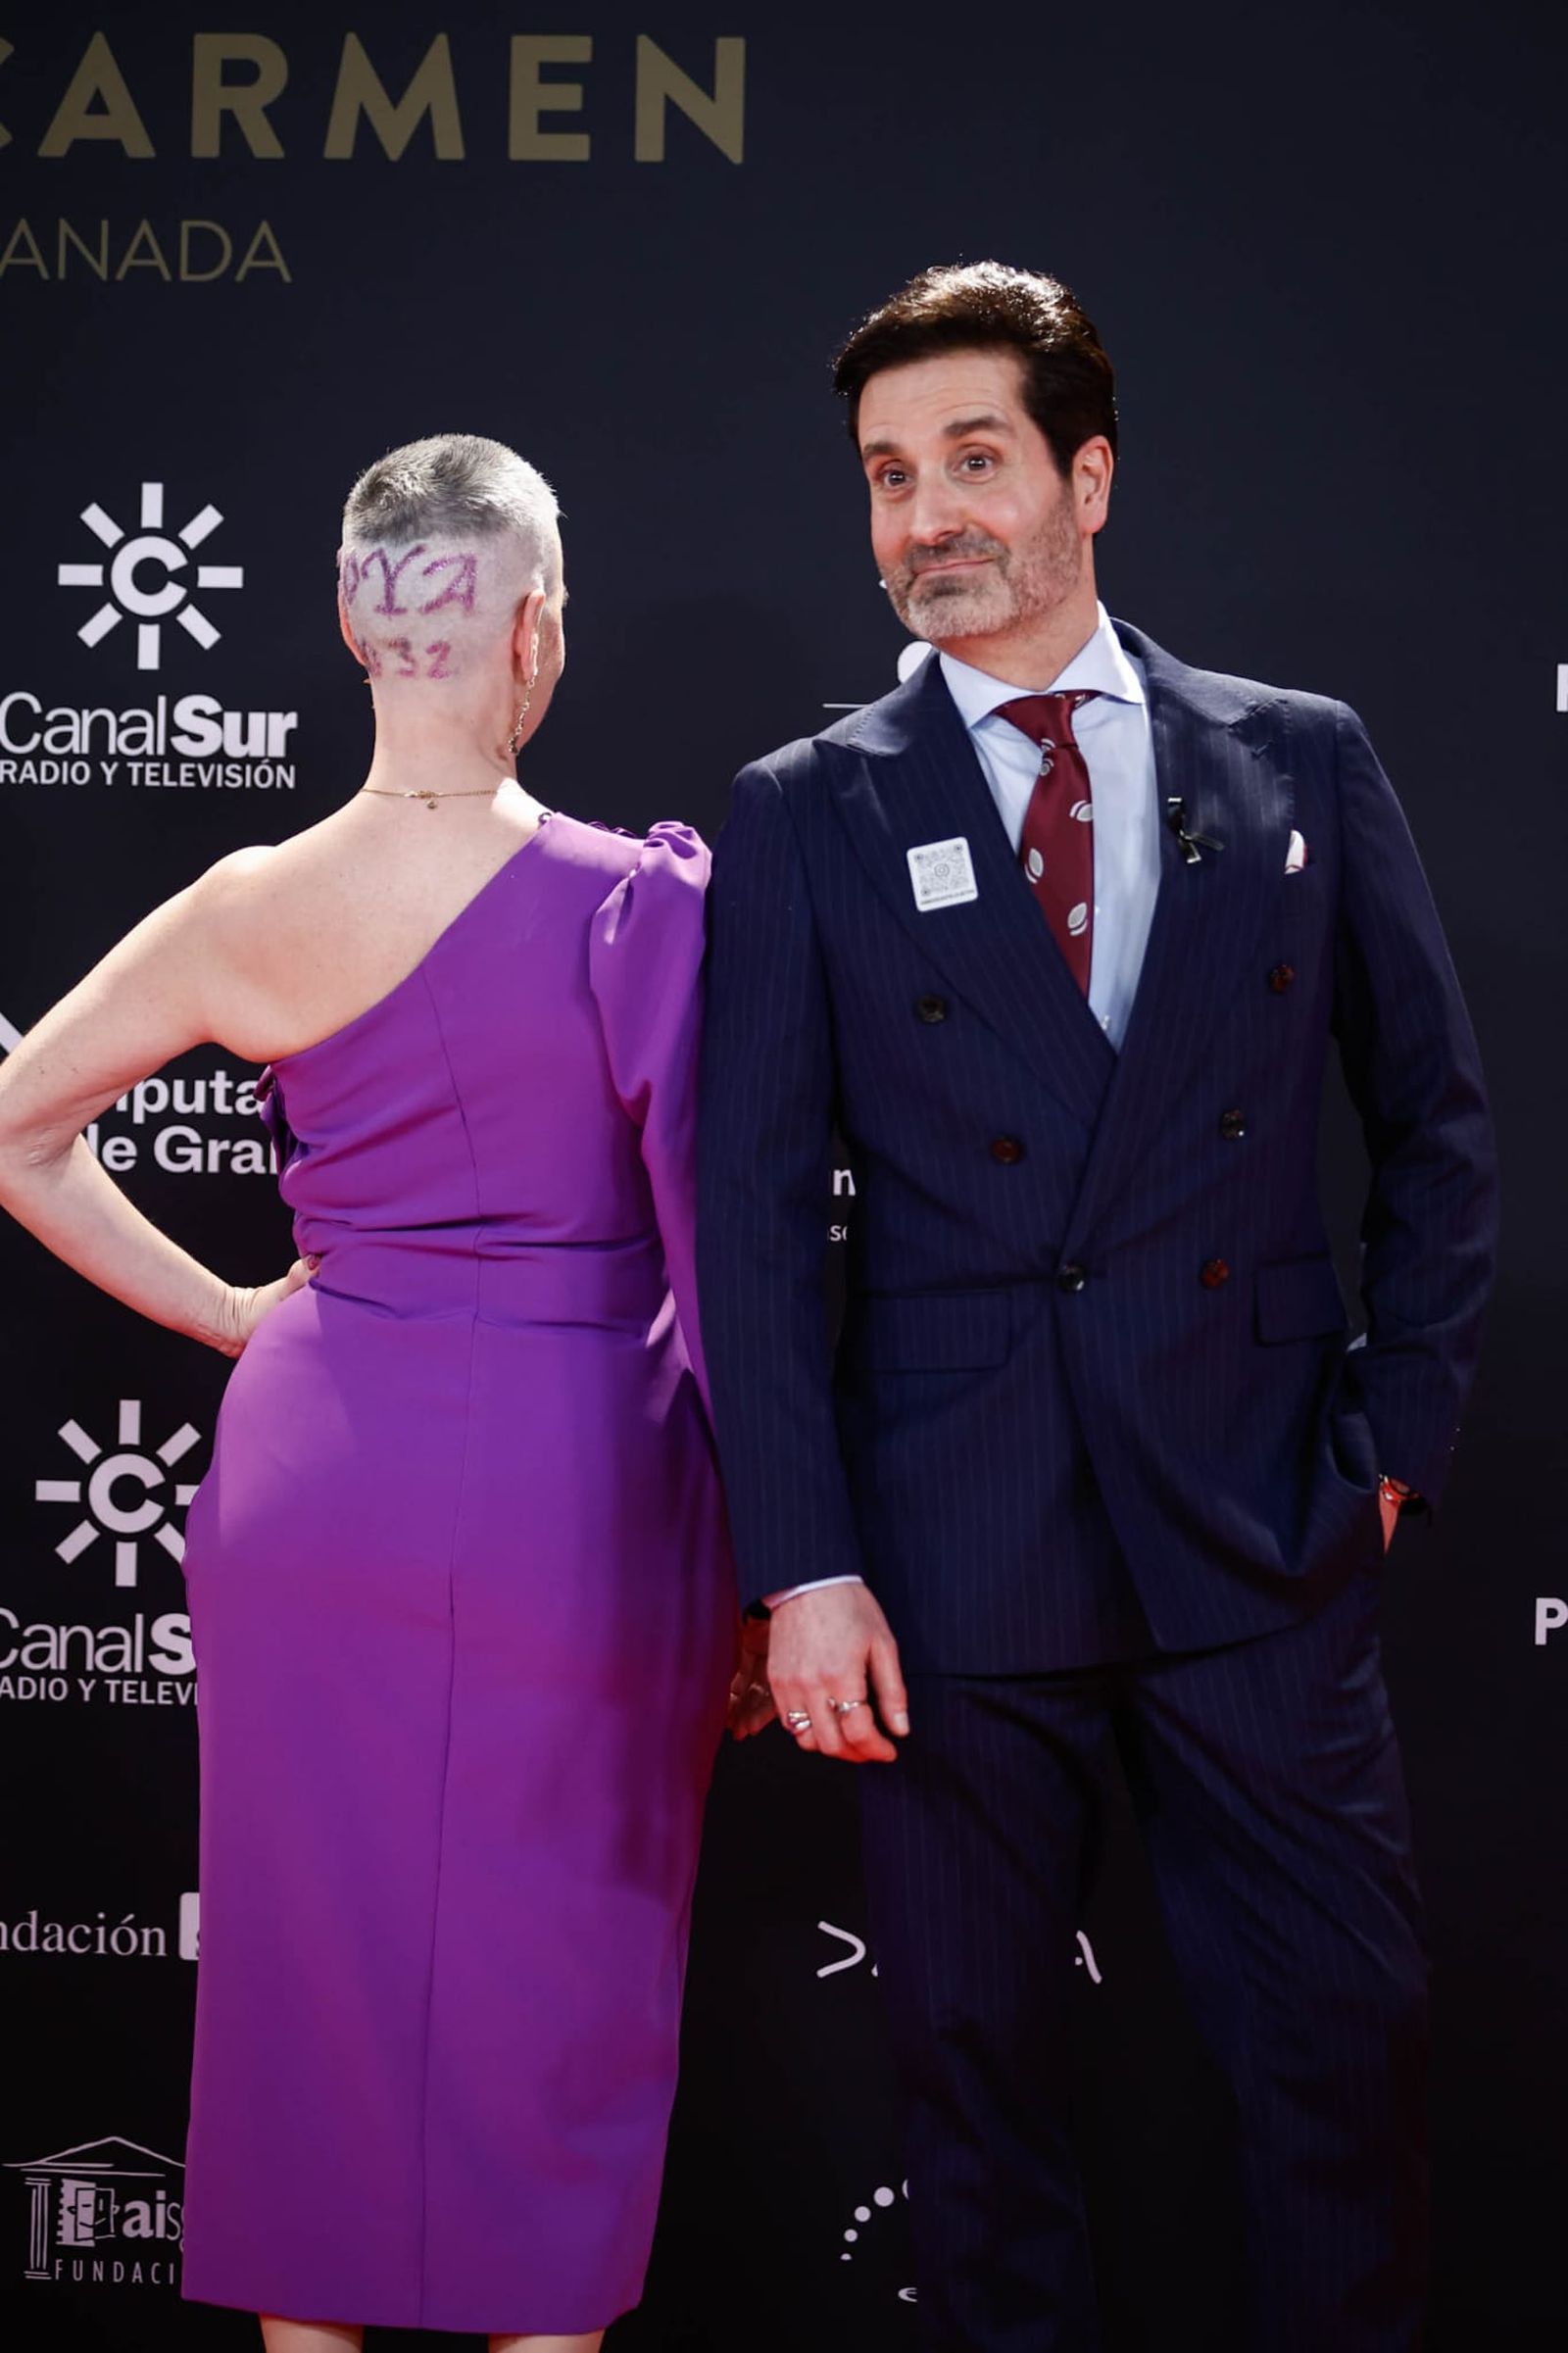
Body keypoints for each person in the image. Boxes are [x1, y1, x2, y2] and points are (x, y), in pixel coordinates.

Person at [697, 265, 1496, 2349]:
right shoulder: (805, 810)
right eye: (886, 477)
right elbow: (757, 1220)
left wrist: (1391, 1444)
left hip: (1257, 1537)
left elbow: (1432, 1125)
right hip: (952, 1561)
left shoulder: (1295, 760)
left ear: (1089, 478)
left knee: (1337, 2063)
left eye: (971, 459)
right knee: (973, 2106)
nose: (923, 517)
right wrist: (801, 1563)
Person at [0, 433, 741, 2353]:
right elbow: (724, 1261)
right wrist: (765, 1557)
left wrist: (246, 1318)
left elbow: (21, 1136)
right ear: (540, 629)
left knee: (303, 1981)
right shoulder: (633, 901)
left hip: (318, 1470)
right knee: (559, 1985)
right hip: (583, 1484)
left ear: (351, 618)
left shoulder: (250, 903)